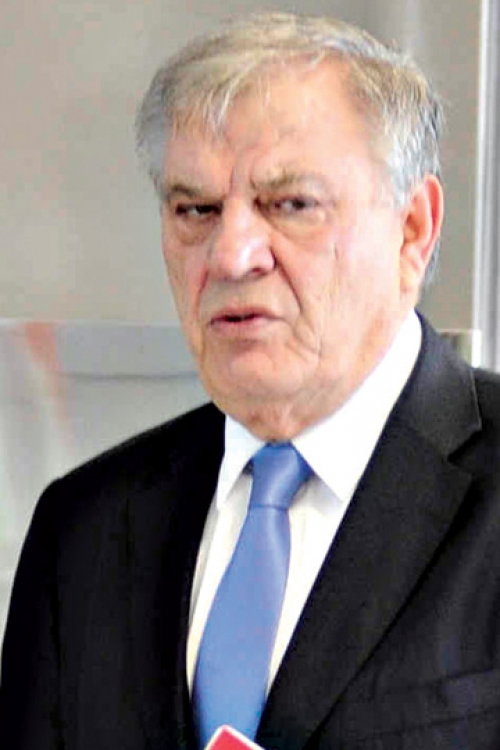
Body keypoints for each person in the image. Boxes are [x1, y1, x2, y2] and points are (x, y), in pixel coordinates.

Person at [2, 11, 500, 749]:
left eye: (290, 204)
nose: (231, 255)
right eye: (195, 209)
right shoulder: (84, 528)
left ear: (412, 229)